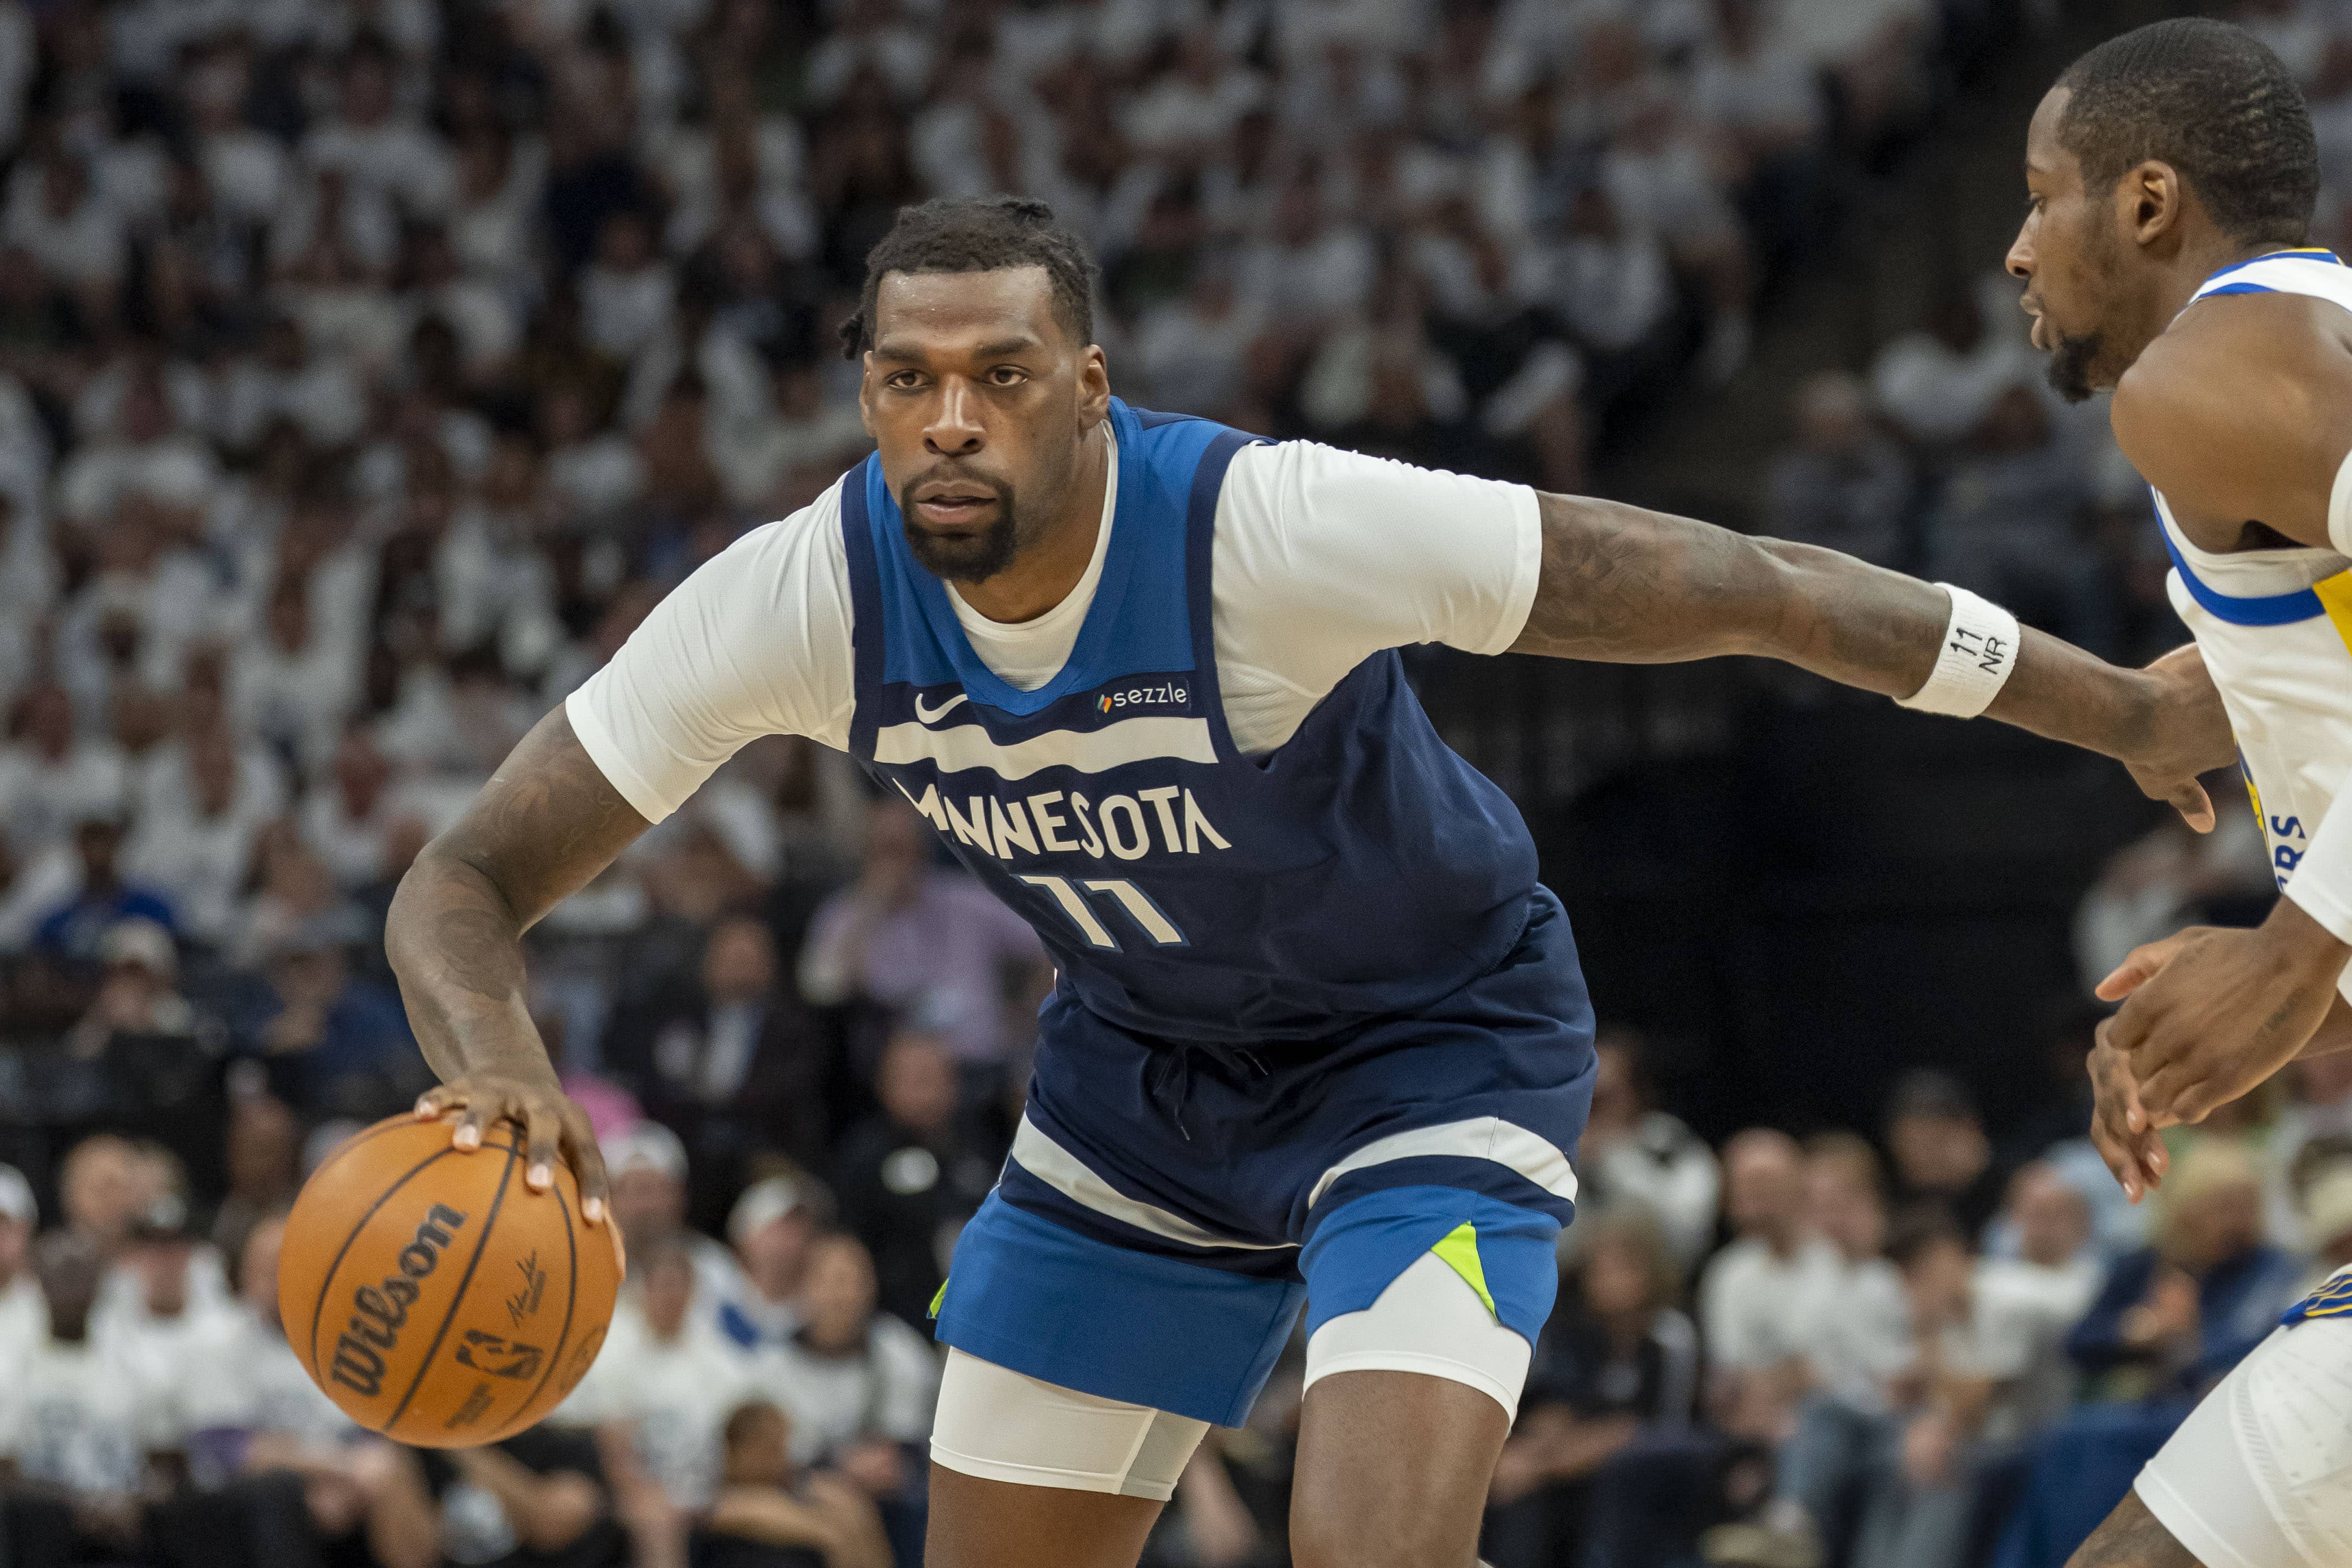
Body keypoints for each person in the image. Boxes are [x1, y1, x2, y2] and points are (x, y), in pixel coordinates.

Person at [393, 195, 2229, 1568]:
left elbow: (1748, 583)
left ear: (1088, 393)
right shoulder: (805, 594)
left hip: (1430, 1053)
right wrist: (494, 1058)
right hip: (1140, 1087)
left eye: (999, 376)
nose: (948, 419)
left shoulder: (1267, 533)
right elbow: (464, 878)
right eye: (907, 379)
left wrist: (2119, 708)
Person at [2003, 18, 2352, 1567]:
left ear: (2145, 205)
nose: (2016, 253)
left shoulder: (2211, 372)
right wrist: (2199, 700)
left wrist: (2291, 955)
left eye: (2036, 197)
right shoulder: (2294, 348)